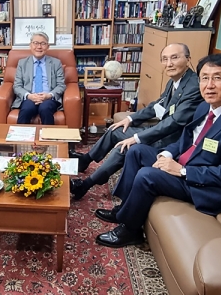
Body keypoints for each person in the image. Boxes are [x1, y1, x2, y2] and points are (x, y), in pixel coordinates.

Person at [94, 53, 221, 248]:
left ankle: (130, 230)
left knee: (148, 175)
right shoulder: (204, 107)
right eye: (204, 78)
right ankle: (124, 210)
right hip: (186, 164)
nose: (209, 85)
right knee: (137, 151)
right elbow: (185, 141)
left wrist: (181, 171)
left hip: (206, 186)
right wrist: (167, 153)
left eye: (217, 78)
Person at [69, 43, 203, 200]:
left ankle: (86, 184)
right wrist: (130, 118)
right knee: (115, 129)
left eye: (174, 58)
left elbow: (173, 123)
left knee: (125, 145)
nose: (169, 64)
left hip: (170, 140)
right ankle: (86, 160)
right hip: (160, 130)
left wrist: (136, 138)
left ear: (188, 59)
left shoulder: (194, 86)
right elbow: (156, 106)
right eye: (164, 59)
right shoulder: (174, 81)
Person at [13, 31, 66, 125]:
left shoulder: (56, 63)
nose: (39, 47)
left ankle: (48, 138)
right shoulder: (22, 63)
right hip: (29, 97)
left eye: (43, 43)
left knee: (45, 108)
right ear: (30, 45)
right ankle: (20, 138)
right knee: (27, 108)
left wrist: (49, 95)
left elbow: (61, 85)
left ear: (48, 46)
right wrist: (29, 96)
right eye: (36, 43)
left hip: (49, 98)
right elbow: (17, 86)